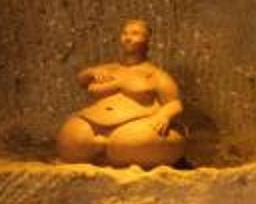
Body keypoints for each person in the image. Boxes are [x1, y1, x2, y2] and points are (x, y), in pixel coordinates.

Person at [56, 18, 185, 167]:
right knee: (71, 139)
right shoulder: (110, 68)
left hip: (134, 125)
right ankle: (102, 148)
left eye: (135, 34)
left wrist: (164, 115)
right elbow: (82, 80)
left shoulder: (155, 74)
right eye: (125, 33)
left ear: (147, 40)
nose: (128, 38)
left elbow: (174, 103)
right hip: (94, 124)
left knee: (130, 142)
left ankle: (114, 149)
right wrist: (92, 72)